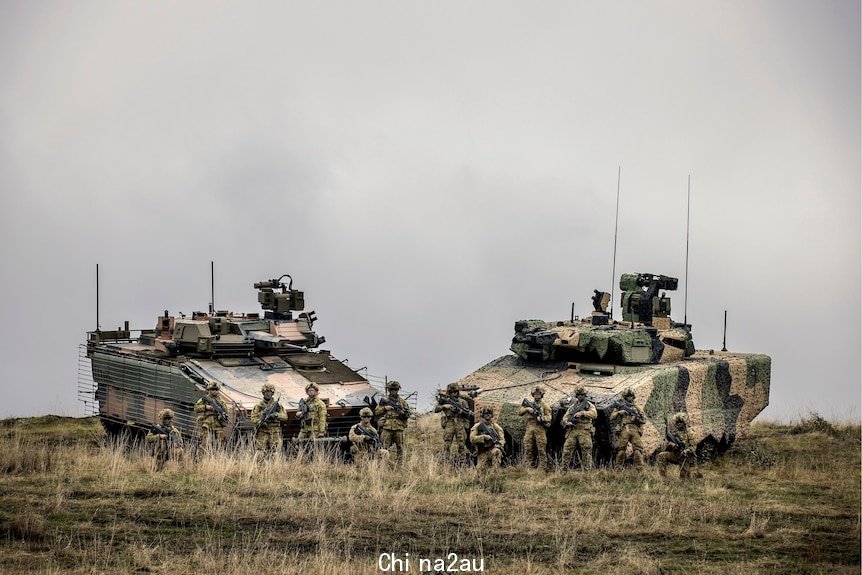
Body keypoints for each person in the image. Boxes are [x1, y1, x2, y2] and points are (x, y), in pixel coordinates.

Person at [433, 383, 472, 466]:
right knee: (447, 443)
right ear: (449, 392)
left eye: (455, 392)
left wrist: (462, 412)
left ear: (458, 392)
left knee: (461, 444)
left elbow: (468, 414)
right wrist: (445, 406)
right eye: (451, 392)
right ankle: (445, 462)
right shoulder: (446, 401)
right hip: (449, 422)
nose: (453, 394)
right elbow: (436, 409)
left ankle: (462, 463)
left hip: (459, 422)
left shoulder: (463, 402)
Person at [374, 381, 411, 463]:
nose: (393, 391)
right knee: (384, 446)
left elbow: (408, 413)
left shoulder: (402, 402)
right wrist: (385, 408)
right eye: (391, 390)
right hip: (387, 426)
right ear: (388, 390)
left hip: (398, 426)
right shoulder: (385, 400)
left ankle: (399, 463)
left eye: (395, 389)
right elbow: (376, 412)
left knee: (400, 447)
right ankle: (382, 463)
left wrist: (403, 414)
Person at [561, 387, 597, 471]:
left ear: (585, 395)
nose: (580, 396)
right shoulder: (573, 406)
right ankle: (564, 470)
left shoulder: (588, 405)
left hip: (584, 430)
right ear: (576, 396)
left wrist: (583, 413)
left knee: (586, 451)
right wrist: (567, 422)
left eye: (582, 395)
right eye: (579, 395)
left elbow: (594, 414)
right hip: (573, 430)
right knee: (567, 450)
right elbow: (565, 417)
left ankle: (587, 471)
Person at [658, 412, 702, 479]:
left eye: (680, 422)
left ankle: (696, 473)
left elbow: (693, 447)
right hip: (676, 455)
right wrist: (672, 445)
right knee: (661, 455)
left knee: (685, 479)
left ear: (684, 423)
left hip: (687, 458)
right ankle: (663, 478)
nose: (678, 424)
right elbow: (667, 442)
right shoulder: (676, 433)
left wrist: (686, 451)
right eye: (677, 422)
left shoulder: (690, 433)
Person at [610, 388, 646, 471]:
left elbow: (643, 420)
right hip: (624, 429)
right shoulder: (621, 406)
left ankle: (639, 469)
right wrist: (619, 412)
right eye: (628, 396)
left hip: (635, 429)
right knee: (621, 449)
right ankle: (618, 468)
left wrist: (636, 419)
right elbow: (612, 417)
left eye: (631, 396)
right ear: (625, 397)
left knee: (638, 449)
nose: (630, 398)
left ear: (633, 397)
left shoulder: (637, 408)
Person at [518, 386, 551, 471]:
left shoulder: (545, 405)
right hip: (530, 427)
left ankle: (542, 468)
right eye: (535, 394)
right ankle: (527, 466)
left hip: (540, 428)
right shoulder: (529, 404)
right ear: (533, 395)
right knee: (528, 447)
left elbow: (549, 417)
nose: (537, 395)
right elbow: (520, 412)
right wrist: (527, 409)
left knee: (541, 449)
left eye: (538, 394)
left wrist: (542, 418)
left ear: (542, 395)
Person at [250, 383, 287, 458]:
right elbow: (253, 418)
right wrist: (260, 422)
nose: (268, 394)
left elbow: (285, 417)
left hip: (274, 432)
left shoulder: (277, 405)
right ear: (263, 393)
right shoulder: (259, 406)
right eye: (266, 392)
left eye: (269, 392)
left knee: (274, 452)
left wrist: (276, 415)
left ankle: (274, 468)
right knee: (259, 451)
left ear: (272, 393)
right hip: (262, 431)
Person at [193, 381, 230, 453]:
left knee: (220, 444)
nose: (214, 391)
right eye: (212, 389)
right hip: (207, 423)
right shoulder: (205, 399)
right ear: (209, 390)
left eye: (216, 390)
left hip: (217, 424)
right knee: (204, 443)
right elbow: (196, 408)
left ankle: (218, 459)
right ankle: (202, 459)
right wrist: (206, 407)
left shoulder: (221, 402)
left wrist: (221, 415)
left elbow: (226, 412)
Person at [470, 407, 505, 475]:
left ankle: (494, 475)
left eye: (489, 413)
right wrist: (483, 437)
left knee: (497, 452)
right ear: (482, 415)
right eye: (486, 413)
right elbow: (472, 438)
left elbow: (502, 439)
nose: (488, 415)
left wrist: (499, 445)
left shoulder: (496, 426)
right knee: (480, 472)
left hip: (493, 449)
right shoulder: (478, 426)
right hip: (482, 451)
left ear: (492, 415)